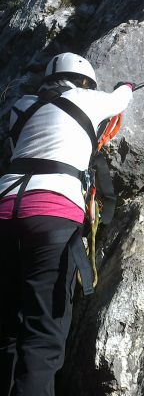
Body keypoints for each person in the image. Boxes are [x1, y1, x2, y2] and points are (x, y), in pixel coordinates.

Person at [0, 53, 133, 396]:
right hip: (52, 214)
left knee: (8, 328)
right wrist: (126, 86)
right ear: (85, 81)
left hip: (4, 209)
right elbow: (121, 99)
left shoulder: (22, 106)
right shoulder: (86, 98)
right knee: (43, 338)